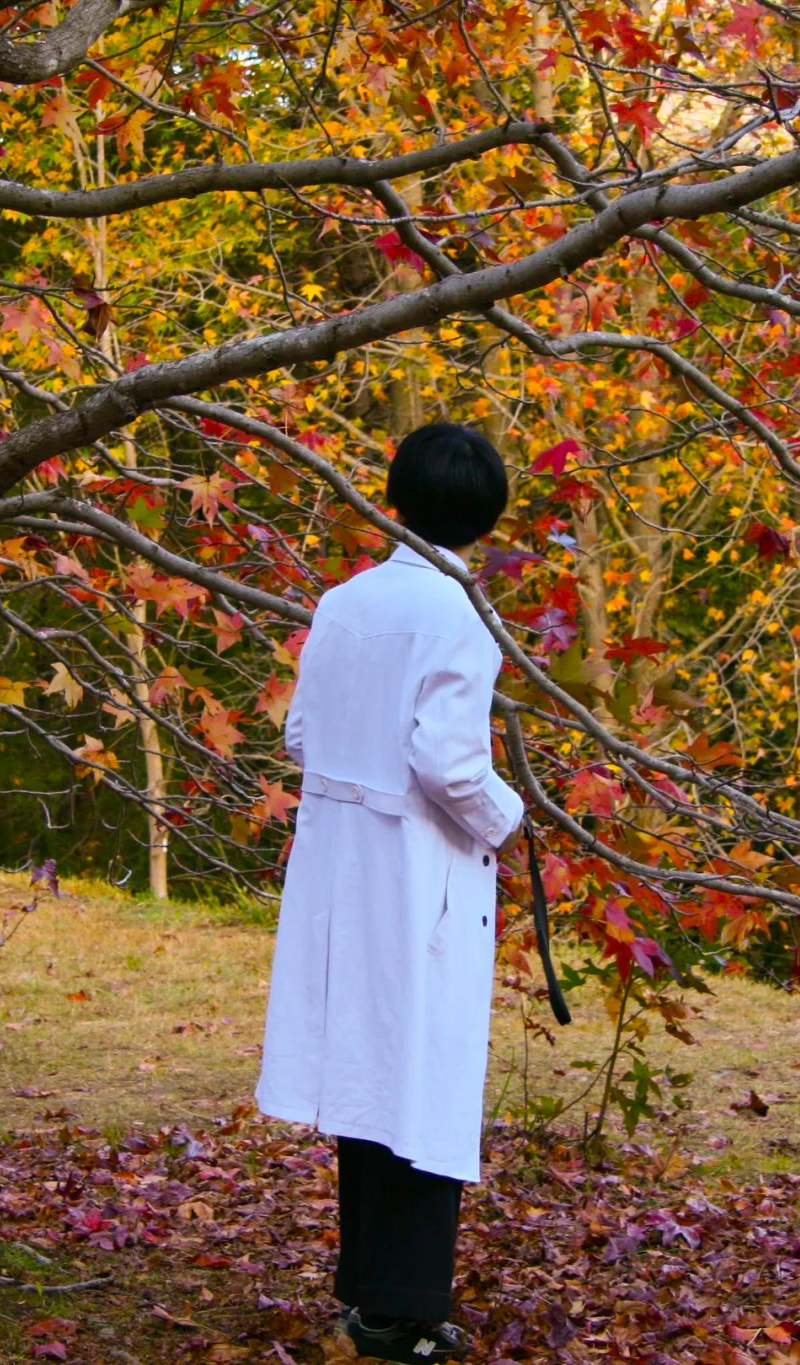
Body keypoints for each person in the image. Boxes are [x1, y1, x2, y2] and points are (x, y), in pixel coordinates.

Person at [256, 422, 525, 1363]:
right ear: (484, 517)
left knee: (369, 1074)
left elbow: (299, 735)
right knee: (419, 1072)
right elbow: (449, 765)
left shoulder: (343, 602)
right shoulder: (459, 613)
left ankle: (374, 1292)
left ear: (397, 495)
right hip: (415, 872)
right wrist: (509, 814)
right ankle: (398, 1308)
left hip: (338, 867)